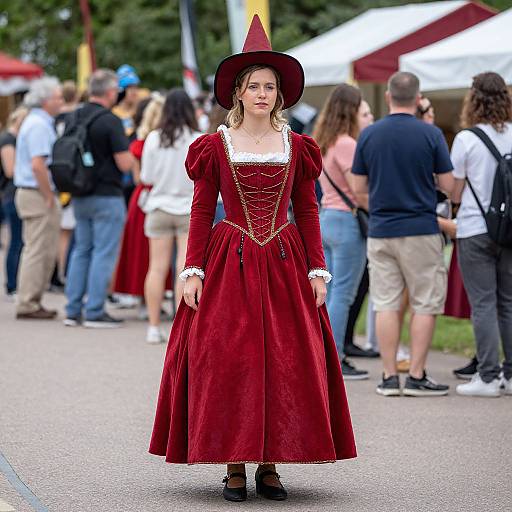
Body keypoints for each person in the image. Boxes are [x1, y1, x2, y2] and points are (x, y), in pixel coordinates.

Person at [149, 16, 356, 503]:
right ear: (237, 93)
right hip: (231, 260)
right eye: (253, 86)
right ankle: (234, 464)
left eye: (270, 87)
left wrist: (316, 268)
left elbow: (307, 210)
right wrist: (192, 270)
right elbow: (201, 211)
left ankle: (271, 464)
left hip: (284, 260)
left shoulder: (298, 147)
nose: (262, 94)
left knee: (284, 361)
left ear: (279, 95)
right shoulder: (214, 146)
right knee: (231, 360)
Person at [352, 71, 454, 397]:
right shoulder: (431, 134)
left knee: (384, 303)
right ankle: (416, 375)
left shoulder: (369, 135)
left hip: (381, 230)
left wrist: (380, 205)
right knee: (424, 303)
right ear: (419, 97)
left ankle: (387, 376)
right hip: (421, 228)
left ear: (388, 96)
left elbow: (358, 189)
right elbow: (449, 186)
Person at [451, 72, 512, 397]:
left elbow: (456, 192)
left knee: (484, 303)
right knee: (508, 301)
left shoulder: (466, 139)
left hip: (475, 228)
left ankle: (487, 377)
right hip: (510, 230)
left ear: (474, 99)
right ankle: (511, 374)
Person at [64, 69, 133, 328]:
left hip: (79, 192)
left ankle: (72, 310)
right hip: (107, 194)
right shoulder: (110, 121)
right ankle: (94, 310)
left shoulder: (74, 116)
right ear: (109, 92)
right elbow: (124, 163)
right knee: (103, 252)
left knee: (82, 250)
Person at [313, 84, 369, 380]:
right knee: (343, 294)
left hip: (327, 218)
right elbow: (358, 189)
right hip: (347, 221)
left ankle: (322, 351)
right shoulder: (347, 143)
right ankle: (333, 356)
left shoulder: (324, 141)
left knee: (330, 291)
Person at [141, 89, 201, 343]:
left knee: (156, 268)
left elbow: (147, 178)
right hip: (188, 208)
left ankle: (153, 326)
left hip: (158, 206)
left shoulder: (154, 138)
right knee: (183, 270)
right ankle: (181, 327)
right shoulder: (198, 139)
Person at [113, 94, 171, 314]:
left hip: (145, 197)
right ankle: (148, 302)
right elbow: (139, 177)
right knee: (149, 253)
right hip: (151, 197)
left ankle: (148, 301)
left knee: (147, 253)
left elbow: (139, 178)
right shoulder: (152, 142)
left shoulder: (142, 142)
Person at [13, 77, 63, 319]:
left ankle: (31, 299)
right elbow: (38, 165)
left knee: (37, 247)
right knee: (37, 249)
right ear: (45, 100)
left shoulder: (36, 122)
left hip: (32, 191)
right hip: (36, 192)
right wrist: (48, 196)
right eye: (57, 97)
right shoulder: (39, 125)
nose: (61, 101)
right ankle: (29, 302)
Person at [0, 106, 29, 298]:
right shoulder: (8, 140)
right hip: (11, 194)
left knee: (19, 241)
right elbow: (10, 170)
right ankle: (11, 284)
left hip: (12, 193)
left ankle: (14, 283)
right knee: (16, 241)